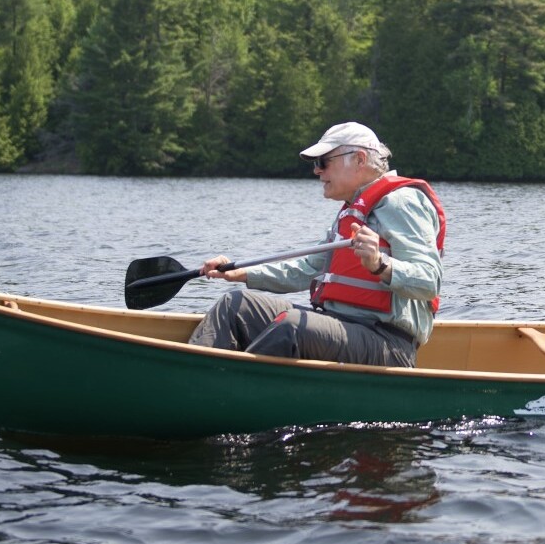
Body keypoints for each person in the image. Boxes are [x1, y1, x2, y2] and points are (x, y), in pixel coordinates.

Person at [187, 122, 445, 367]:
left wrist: (380, 264)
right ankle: (195, 377)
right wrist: (241, 274)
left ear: (359, 159)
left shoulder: (404, 203)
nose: (317, 171)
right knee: (236, 305)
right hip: (339, 324)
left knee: (292, 326)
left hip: (387, 343)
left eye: (324, 162)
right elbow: (309, 269)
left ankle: (223, 393)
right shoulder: (353, 211)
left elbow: (428, 282)